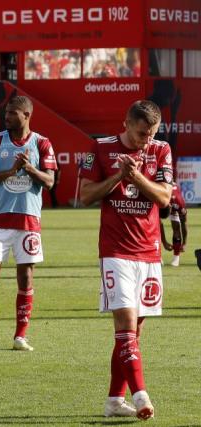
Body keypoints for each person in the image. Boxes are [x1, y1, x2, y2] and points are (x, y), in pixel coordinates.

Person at [78, 100, 170, 420]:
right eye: (142, 133)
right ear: (127, 123)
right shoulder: (101, 148)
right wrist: (119, 175)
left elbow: (165, 197)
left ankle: (114, 401)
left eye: (152, 134)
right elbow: (85, 196)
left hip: (149, 252)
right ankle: (141, 395)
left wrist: (138, 178)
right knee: (126, 329)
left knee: (134, 334)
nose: (147, 140)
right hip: (116, 251)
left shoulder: (161, 150)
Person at [0, 95, 56, 352]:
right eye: (6, 112)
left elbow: (50, 181)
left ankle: (20, 335)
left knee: (26, 277)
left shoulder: (42, 143)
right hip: (0, 220)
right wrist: (10, 172)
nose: (6, 116)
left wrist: (30, 169)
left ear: (26, 115)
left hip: (28, 220)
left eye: (12, 113)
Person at [159, 182, 188, 267]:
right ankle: (157, 256)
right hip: (159, 197)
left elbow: (184, 223)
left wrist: (184, 243)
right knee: (153, 227)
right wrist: (164, 242)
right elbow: (158, 224)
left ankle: (176, 257)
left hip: (172, 201)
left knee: (176, 226)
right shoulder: (157, 198)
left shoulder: (179, 202)